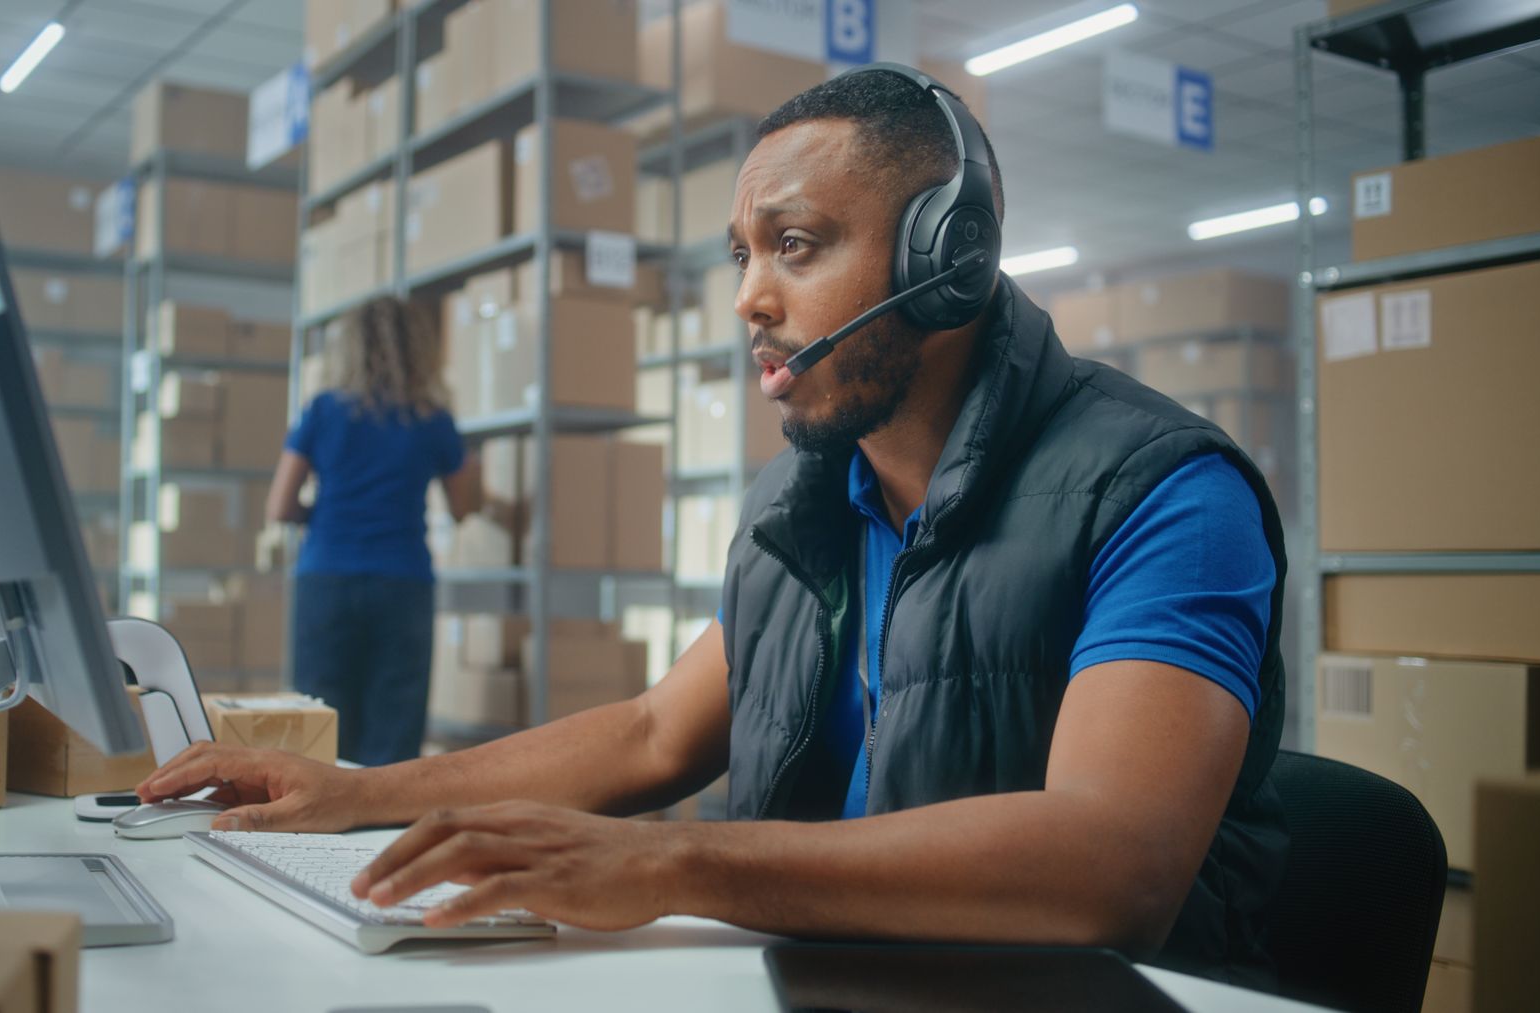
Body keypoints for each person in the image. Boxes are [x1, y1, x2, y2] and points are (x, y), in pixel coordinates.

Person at [141, 68, 1288, 984]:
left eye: (795, 245)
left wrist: (675, 858)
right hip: (827, 975)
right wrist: (361, 790)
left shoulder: (1162, 492)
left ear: (951, 260)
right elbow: (651, 734)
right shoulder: (802, 506)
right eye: (743, 255)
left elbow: (1115, 861)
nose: (747, 296)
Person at [264, 296, 479, 766]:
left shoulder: (322, 412)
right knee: (394, 738)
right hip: (402, 584)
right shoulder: (433, 420)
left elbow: (280, 506)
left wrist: (318, 514)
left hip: (327, 579)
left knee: (321, 730)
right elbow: (463, 508)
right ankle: (381, 840)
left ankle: (310, 835)